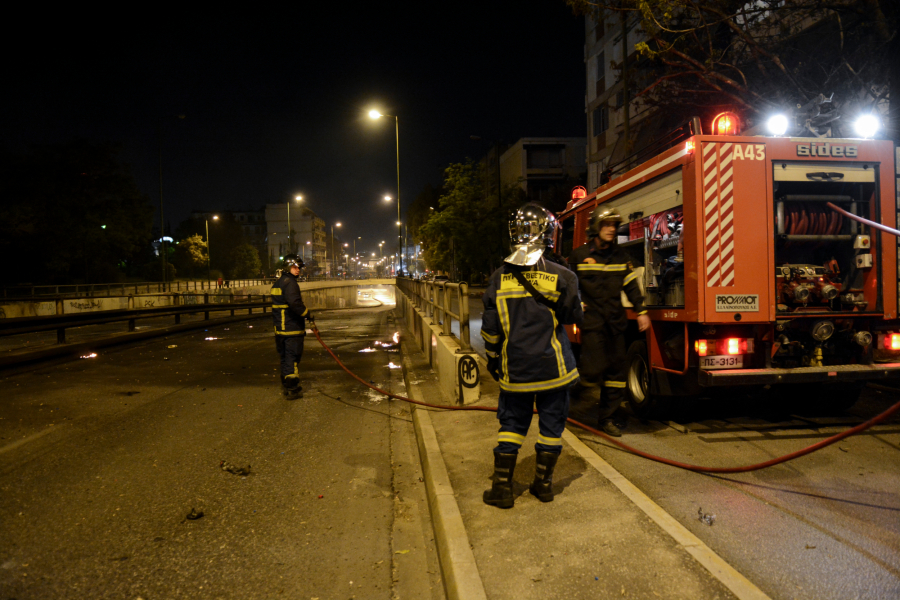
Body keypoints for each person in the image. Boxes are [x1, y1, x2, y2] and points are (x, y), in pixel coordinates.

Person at [481, 203, 584, 508]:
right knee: (552, 426)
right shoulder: (563, 276)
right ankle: (544, 486)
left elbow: (490, 330)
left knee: (512, 426)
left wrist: (493, 359)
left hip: (517, 371)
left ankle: (501, 490)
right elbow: (572, 316)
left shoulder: (498, 278)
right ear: (550, 233)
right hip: (555, 369)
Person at [568, 206, 650, 437]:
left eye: (614, 225)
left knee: (615, 374)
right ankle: (572, 397)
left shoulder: (622, 257)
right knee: (593, 370)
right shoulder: (579, 256)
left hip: (616, 323)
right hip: (593, 323)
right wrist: (576, 303)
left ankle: (607, 418)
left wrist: (641, 311)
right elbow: (568, 287)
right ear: (596, 227)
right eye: (607, 225)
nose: (612, 229)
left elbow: (631, 286)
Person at [270, 254, 313, 399]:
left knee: (284, 357)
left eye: (299, 267)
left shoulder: (279, 283)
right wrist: (308, 314)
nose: (298, 270)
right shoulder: (291, 283)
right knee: (292, 358)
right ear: (288, 267)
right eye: (295, 267)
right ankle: (292, 388)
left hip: (280, 329)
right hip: (291, 328)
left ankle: (285, 384)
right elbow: (295, 304)